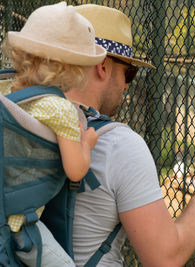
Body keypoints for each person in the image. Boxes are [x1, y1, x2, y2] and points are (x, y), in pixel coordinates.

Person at [66, 4, 195, 267]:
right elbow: (164, 259)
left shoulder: (26, 120)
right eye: (128, 72)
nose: (125, 85)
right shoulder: (118, 145)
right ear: (102, 65)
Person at [2, 2, 106, 266]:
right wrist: (87, 142)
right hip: (18, 223)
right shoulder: (61, 110)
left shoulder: (11, 99)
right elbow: (75, 170)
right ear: (71, 68)